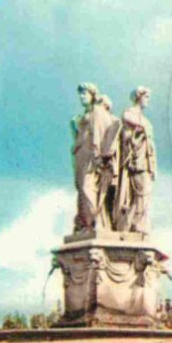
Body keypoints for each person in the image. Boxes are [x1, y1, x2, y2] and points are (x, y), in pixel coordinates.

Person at [70, 83, 120, 232]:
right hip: (80, 155)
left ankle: (94, 222)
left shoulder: (97, 112)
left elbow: (100, 132)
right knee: (82, 189)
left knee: (88, 187)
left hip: (91, 155)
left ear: (92, 95)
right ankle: (86, 224)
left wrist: (98, 153)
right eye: (80, 94)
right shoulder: (81, 116)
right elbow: (78, 136)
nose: (81, 97)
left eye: (84, 94)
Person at [115, 86, 156, 233]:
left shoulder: (145, 120)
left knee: (144, 194)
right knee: (141, 193)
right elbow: (126, 137)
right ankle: (133, 225)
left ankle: (132, 224)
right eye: (146, 97)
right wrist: (139, 132)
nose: (148, 100)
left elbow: (150, 145)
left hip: (145, 162)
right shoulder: (129, 114)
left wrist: (152, 166)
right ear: (138, 97)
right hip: (136, 162)